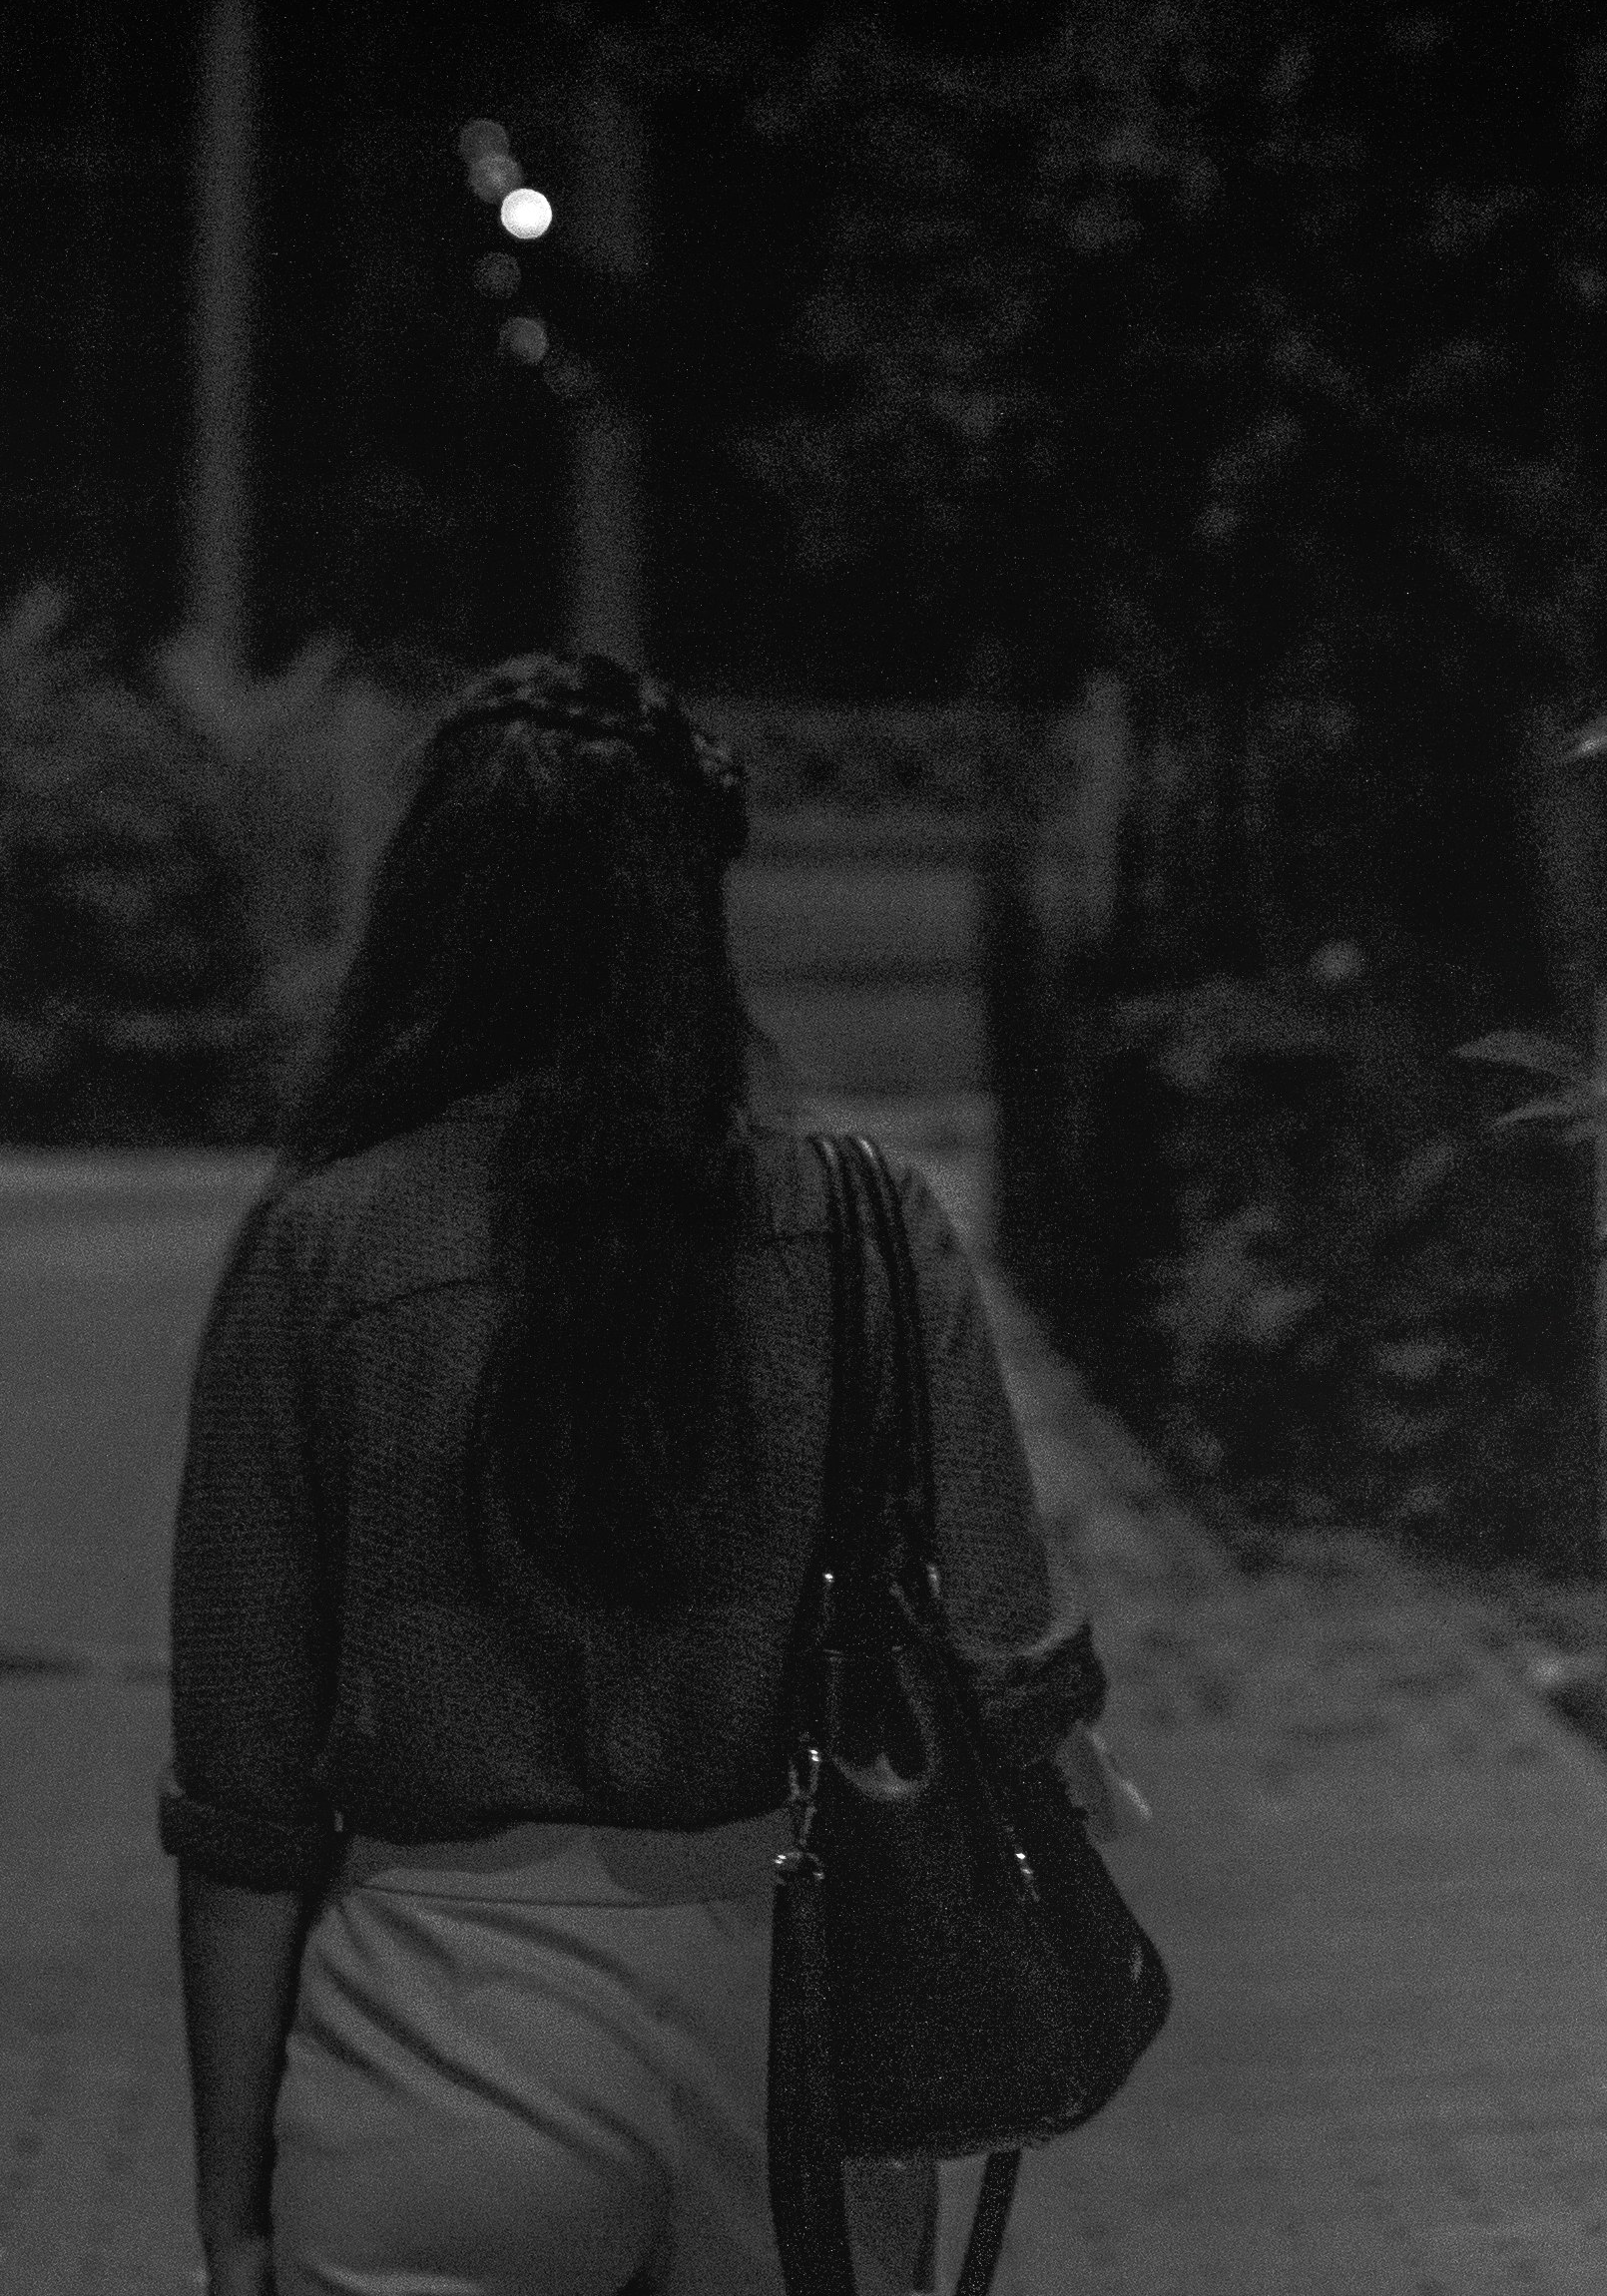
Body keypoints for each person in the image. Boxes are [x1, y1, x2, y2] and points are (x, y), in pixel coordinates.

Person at [164, 646, 1117, 2296]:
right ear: (693, 917)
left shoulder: (319, 1254)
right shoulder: (865, 1232)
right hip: (794, 2031)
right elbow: (1009, 1678)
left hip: (437, 2032)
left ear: (429, 916)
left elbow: (244, 1808)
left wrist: (235, 2208)